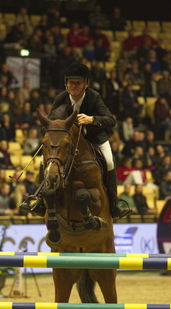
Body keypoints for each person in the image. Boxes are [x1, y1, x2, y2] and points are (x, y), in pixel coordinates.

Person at [25, 62, 130, 219]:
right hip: (68, 141)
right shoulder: (61, 98)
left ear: (85, 84)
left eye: (78, 83)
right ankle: (39, 199)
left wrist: (91, 119)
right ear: (66, 84)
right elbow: (51, 122)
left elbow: (110, 120)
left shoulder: (93, 97)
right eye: (70, 82)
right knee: (43, 160)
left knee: (108, 161)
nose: (73, 86)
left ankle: (114, 203)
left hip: (93, 137)